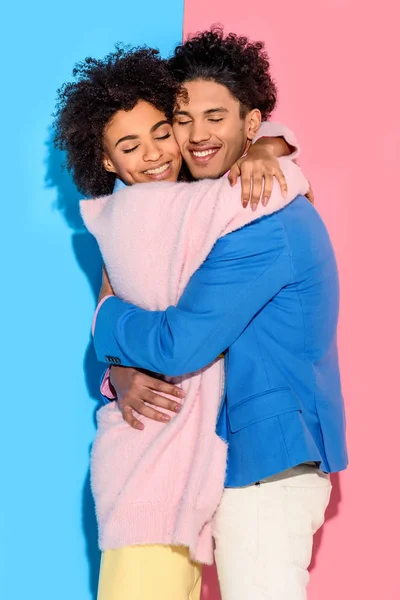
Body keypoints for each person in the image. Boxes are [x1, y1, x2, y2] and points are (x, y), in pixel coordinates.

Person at [92, 29, 348, 600]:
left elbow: (179, 344)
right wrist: (117, 372)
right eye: (182, 119)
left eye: (216, 117)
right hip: (233, 468)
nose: (197, 136)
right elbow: (154, 289)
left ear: (249, 123)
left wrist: (104, 321)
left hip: (269, 467)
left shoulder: (261, 216)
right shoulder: (212, 211)